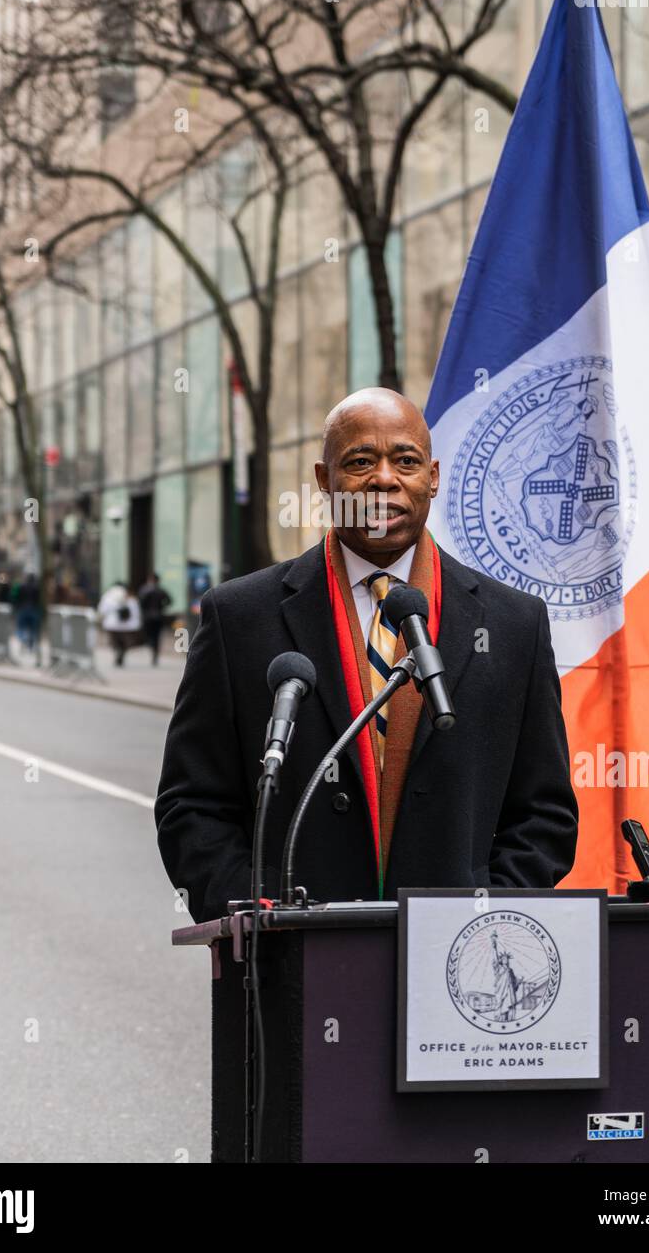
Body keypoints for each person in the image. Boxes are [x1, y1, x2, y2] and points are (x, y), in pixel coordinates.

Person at [155, 388, 578, 923]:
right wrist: (257, 922)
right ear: (323, 480)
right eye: (359, 462)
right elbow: (191, 805)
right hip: (292, 962)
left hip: (457, 966)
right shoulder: (238, 617)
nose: (383, 478)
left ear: (434, 476)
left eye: (406, 460)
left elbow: (544, 812)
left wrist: (488, 920)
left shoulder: (514, 623)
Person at [98, 580, 142, 667]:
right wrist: (137, 624)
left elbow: (102, 610)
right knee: (124, 642)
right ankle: (121, 652)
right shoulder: (130, 597)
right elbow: (135, 612)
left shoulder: (108, 596)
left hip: (111, 624)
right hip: (126, 625)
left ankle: (117, 651)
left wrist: (101, 620)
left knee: (115, 641)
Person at [138, 572, 172, 666]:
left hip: (148, 616)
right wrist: (162, 606)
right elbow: (169, 601)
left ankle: (152, 648)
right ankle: (155, 651)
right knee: (156, 636)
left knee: (150, 635)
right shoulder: (161, 590)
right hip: (158, 616)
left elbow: (141, 603)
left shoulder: (144, 590)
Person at [14, 572, 42, 663]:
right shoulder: (36, 588)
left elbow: (17, 598)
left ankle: (23, 642)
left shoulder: (22, 587)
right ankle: (30, 645)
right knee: (33, 630)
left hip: (23, 609)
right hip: (33, 610)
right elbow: (38, 600)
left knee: (22, 628)